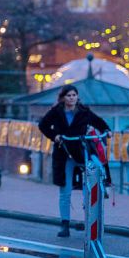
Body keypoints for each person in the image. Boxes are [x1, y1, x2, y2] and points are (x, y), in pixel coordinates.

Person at [38, 84, 111, 238]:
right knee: (65, 190)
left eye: (74, 95)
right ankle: (65, 224)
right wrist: (55, 136)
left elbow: (98, 121)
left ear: (77, 97)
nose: (71, 98)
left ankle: (89, 220)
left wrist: (106, 130)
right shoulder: (56, 111)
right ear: (63, 97)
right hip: (64, 153)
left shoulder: (84, 111)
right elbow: (43, 125)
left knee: (89, 186)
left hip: (81, 152)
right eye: (69, 95)